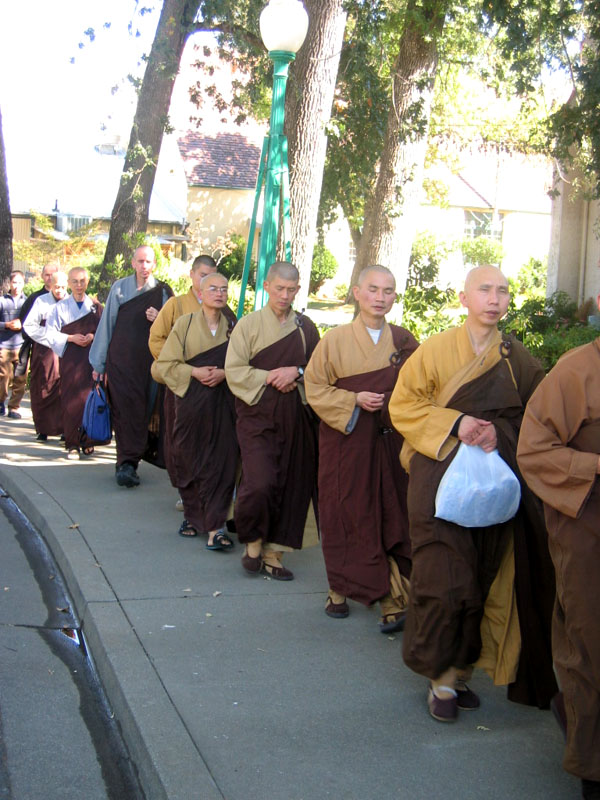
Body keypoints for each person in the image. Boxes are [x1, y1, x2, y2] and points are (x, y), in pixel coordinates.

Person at [389, 264, 557, 722]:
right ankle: (439, 676)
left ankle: (459, 669)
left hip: (493, 486)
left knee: (482, 579)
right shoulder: (436, 350)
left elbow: (537, 419)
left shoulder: (517, 358)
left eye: (502, 291)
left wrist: (497, 432)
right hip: (438, 479)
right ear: (464, 298)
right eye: (484, 289)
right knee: (445, 580)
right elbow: (402, 405)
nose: (494, 298)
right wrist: (456, 423)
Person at [517, 293, 600, 800]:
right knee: (591, 640)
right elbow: (535, 450)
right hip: (587, 522)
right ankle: (592, 763)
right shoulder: (576, 372)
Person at [304, 265, 418, 630]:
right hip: (347, 442)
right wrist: (353, 398)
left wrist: (392, 400)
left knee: (390, 512)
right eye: (373, 289)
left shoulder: (403, 342)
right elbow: (314, 388)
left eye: (388, 291)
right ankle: (339, 586)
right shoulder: (334, 340)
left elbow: (420, 387)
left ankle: (392, 598)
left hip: (390, 442)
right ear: (357, 293)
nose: (380, 298)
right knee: (347, 510)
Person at [225, 261, 320, 580]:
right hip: (257, 416)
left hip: (295, 416)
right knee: (260, 481)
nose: (285, 295)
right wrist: (271, 376)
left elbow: (319, 371)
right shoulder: (249, 326)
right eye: (279, 288)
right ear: (266, 286)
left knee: (292, 483)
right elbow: (234, 371)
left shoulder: (305, 328)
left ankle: (274, 554)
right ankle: (252, 540)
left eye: (291, 290)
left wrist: (298, 372)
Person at [153, 273, 237, 550]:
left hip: (223, 404)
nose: (219, 293)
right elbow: (166, 364)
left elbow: (245, 362)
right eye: (213, 288)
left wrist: (225, 372)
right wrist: (195, 371)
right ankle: (193, 515)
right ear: (200, 293)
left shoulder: (234, 325)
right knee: (188, 459)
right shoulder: (185, 324)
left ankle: (216, 526)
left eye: (224, 289)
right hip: (191, 403)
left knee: (221, 462)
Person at [89, 245, 173, 488]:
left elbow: (176, 327)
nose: (144, 266)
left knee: (143, 410)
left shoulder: (163, 292)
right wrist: (99, 363)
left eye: (149, 262)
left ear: (155, 264)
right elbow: (107, 325)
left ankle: (134, 457)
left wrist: (159, 318)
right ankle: (126, 463)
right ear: (133, 263)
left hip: (149, 363)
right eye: (140, 261)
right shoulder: (119, 289)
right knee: (123, 411)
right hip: (121, 361)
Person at [45, 267, 103, 459]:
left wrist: (92, 336)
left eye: (82, 281)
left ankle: (88, 440)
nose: (79, 285)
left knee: (89, 398)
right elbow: (50, 334)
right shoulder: (59, 308)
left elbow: (105, 331)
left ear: (87, 283)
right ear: (69, 283)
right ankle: (72, 443)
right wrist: (70, 338)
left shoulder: (95, 307)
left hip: (90, 358)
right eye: (75, 281)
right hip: (70, 358)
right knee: (70, 400)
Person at [23, 271, 68, 441]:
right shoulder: (41, 301)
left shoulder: (71, 302)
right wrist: (49, 336)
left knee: (64, 387)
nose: (59, 290)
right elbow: (29, 325)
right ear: (50, 285)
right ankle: (43, 428)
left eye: (63, 287)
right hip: (45, 349)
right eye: (56, 287)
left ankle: (65, 428)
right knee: (43, 386)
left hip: (65, 348)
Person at [16, 262, 58, 382]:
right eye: (47, 275)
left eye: (52, 274)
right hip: (40, 348)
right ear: (42, 276)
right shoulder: (35, 298)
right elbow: (25, 324)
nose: (49, 278)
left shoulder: (66, 299)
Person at [0, 270, 27, 418]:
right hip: (4, 345)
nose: (16, 286)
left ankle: (14, 407)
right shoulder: (2, 301)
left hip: (21, 345)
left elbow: (32, 323)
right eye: (14, 282)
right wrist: (6, 325)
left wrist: (21, 324)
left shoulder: (27, 302)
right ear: (9, 283)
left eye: (19, 282)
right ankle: (0, 402)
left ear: (24, 283)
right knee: (4, 376)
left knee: (20, 378)